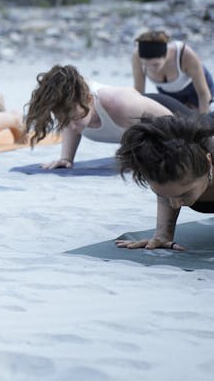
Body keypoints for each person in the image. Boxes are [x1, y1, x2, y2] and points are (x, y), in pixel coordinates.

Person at [25, 64, 193, 169]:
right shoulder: (72, 107)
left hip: (170, 113)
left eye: (73, 118)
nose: (70, 125)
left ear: (89, 100)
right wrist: (66, 158)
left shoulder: (121, 104)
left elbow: (173, 124)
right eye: (62, 120)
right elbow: (71, 124)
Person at [115, 114, 214, 251]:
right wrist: (163, 235)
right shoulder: (174, 165)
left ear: (208, 164)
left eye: (185, 194)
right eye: (163, 194)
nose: (175, 204)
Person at [131, 30, 213, 113]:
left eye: (155, 64)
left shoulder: (185, 55)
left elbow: (203, 95)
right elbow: (139, 93)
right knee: (173, 120)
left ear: (166, 55)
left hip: (196, 90)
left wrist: (203, 122)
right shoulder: (137, 56)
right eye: (145, 64)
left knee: (197, 119)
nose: (151, 69)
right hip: (168, 92)